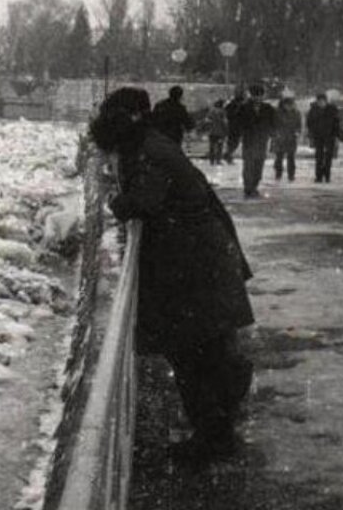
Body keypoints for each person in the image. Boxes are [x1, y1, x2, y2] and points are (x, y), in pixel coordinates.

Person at [90, 87, 255, 461]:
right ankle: (219, 416)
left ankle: (213, 436)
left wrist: (115, 202)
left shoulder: (150, 151)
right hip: (200, 262)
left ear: (127, 117)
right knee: (203, 348)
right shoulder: (151, 142)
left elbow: (142, 201)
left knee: (191, 351)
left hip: (194, 267)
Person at [235, 84, 276, 198]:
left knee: (258, 165)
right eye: (255, 95)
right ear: (251, 95)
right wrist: (240, 134)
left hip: (262, 140)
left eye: (260, 95)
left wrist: (273, 135)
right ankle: (248, 188)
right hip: (249, 140)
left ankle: (254, 185)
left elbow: (273, 123)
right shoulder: (243, 108)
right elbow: (238, 124)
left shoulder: (268, 108)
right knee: (248, 165)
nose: (258, 98)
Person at [306, 93, 341, 183]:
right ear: (317, 101)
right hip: (318, 137)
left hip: (330, 136)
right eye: (319, 101)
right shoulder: (313, 110)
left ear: (326, 101)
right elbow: (309, 123)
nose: (321, 103)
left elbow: (336, 123)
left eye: (322, 101)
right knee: (319, 157)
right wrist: (311, 135)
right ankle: (318, 176)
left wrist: (337, 135)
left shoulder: (332, 109)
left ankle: (327, 175)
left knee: (328, 157)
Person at [272, 92, 301, 181]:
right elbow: (274, 124)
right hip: (280, 137)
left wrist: (297, 132)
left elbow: (298, 125)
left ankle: (291, 175)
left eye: (291, 105)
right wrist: (276, 133)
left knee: (291, 158)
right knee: (279, 157)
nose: (289, 107)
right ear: (284, 105)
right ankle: (278, 174)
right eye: (288, 105)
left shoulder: (296, 113)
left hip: (291, 138)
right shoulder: (277, 113)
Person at [223, 89, 246, 164]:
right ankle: (228, 155)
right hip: (236, 127)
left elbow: (226, 112)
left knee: (232, 143)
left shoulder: (230, 105)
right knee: (234, 143)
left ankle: (228, 155)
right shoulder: (239, 106)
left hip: (232, 126)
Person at [205, 99, 228, 166]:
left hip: (212, 132)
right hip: (220, 133)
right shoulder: (222, 111)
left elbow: (207, 120)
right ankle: (218, 160)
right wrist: (226, 130)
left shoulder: (211, 111)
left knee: (212, 146)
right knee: (219, 146)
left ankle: (211, 160)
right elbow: (225, 122)